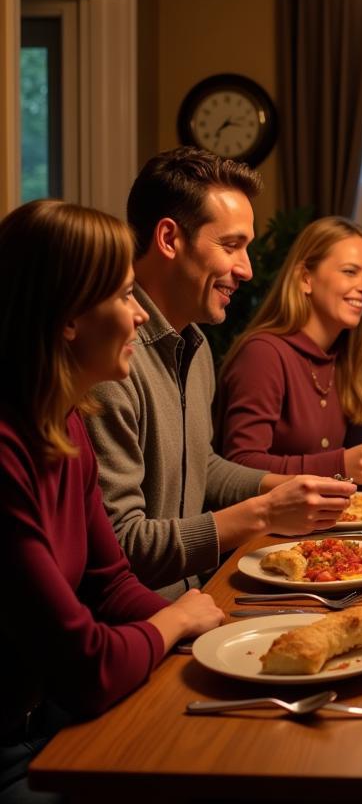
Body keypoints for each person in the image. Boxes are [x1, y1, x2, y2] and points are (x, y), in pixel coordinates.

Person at [0, 200, 224, 803]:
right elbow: (85, 663)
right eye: (126, 295)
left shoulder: (68, 424)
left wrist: (212, 640)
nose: (139, 316)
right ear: (69, 317)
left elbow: (110, 582)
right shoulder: (6, 450)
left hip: (48, 723)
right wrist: (176, 620)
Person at [87, 148, 355, 599]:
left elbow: (200, 466)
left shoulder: (195, 344)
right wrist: (265, 514)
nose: (247, 269)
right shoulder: (110, 360)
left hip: (202, 594)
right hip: (148, 621)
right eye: (231, 246)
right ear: (170, 239)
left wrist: (293, 488)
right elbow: (123, 546)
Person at [217, 216, 362, 482]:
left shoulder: (347, 357)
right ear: (305, 278)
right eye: (350, 272)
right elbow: (241, 465)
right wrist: (339, 465)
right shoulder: (263, 354)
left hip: (332, 520)